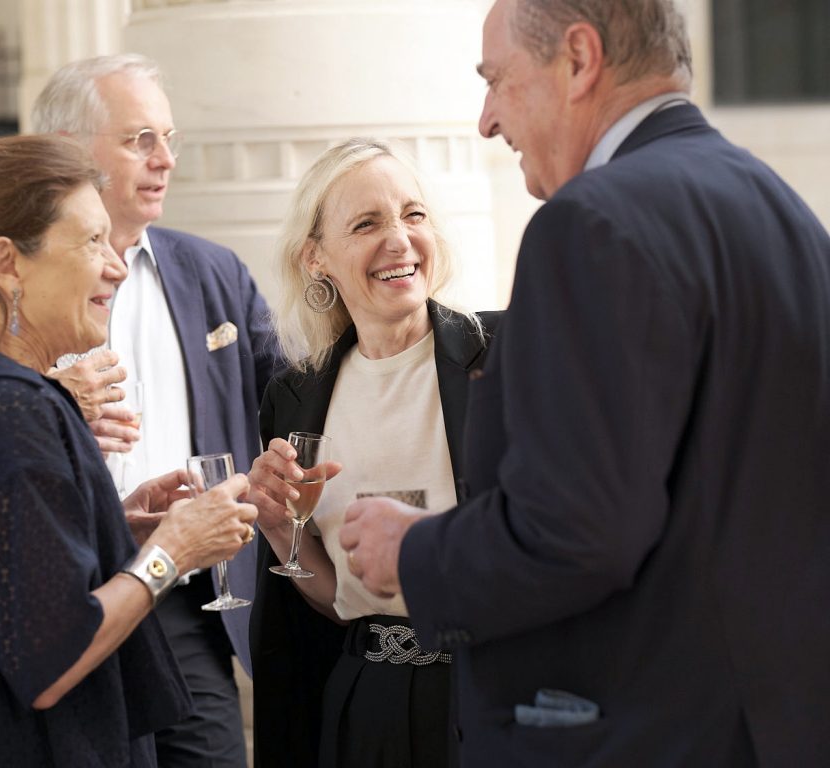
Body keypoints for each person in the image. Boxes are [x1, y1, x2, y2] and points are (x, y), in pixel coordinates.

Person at [341, 1, 830, 766]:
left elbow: (578, 531)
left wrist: (415, 553)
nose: (485, 120)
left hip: (642, 733)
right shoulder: (780, 207)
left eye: (497, 80)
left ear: (579, 58)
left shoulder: (592, 223)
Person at [0, 134, 259, 767]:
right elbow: (49, 660)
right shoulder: (16, 412)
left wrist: (106, 523)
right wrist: (169, 551)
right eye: (92, 241)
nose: (118, 266)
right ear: (7, 264)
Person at [32, 55, 277, 767]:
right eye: (140, 138)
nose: (165, 159)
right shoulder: (14, 282)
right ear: (70, 147)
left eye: (167, 137)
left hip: (184, 602)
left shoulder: (213, 273)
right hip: (63, 602)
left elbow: (285, 396)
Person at [247, 138, 502, 768]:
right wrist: (283, 535)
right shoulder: (295, 396)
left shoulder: (505, 355)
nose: (399, 240)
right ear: (316, 259)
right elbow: (336, 600)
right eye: (367, 224)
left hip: (491, 691)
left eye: (412, 215)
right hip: (367, 698)